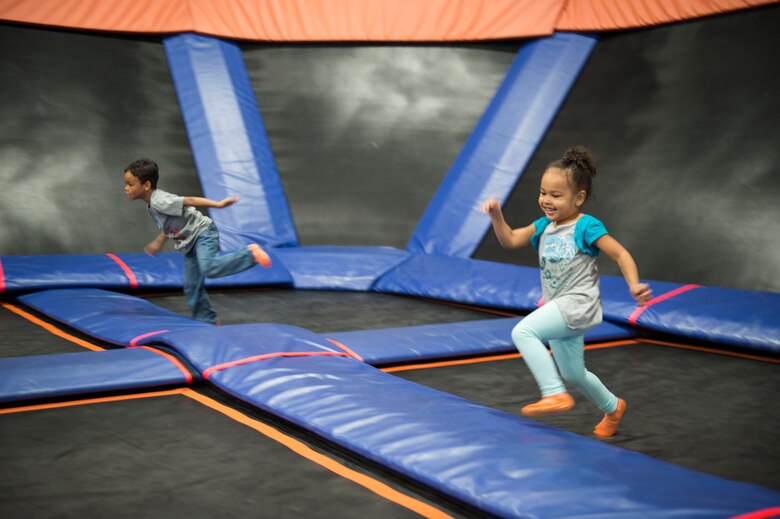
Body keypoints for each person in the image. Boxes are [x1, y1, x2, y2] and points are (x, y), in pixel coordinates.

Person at [481, 145, 652, 438]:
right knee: (573, 373)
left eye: (556, 195)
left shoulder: (585, 226)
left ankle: (553, 393)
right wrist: (497, 215)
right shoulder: (544, 226)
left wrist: (633, 284)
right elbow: (509, 239)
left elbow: (621, 254)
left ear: (579, 197)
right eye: (543, 192)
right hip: (560, 307)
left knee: (523, 332)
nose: (546, 200)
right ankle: (613, 408)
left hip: (577, 304)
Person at [123, 158, 271, 325]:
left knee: (210, 268)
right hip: (189, 243)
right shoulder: (152, 206)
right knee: (192, 285)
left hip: (202, 233)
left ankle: (250, 253)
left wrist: (218, 204)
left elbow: (190, 201)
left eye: (130, 184)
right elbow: (169, 224)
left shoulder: (160, 201)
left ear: (146, 185)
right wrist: (158, 242)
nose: (126, 188)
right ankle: (207, 319)